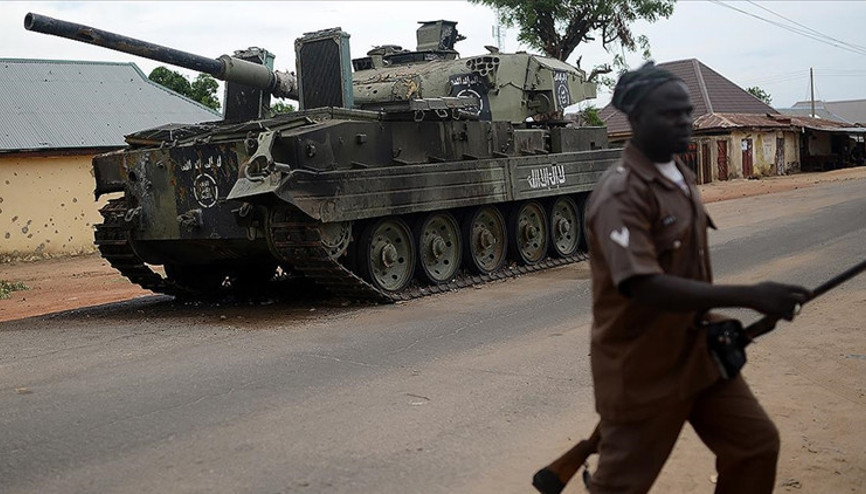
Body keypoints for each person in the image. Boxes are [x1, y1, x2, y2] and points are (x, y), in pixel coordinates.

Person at [584, 62, 811, 494]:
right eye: (671, 114)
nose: (685, 122)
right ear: (635, 119)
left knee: (755, 446)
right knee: (620, 487)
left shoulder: (679, 174)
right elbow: (644, 285)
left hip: (697, 354)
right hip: (643, 369)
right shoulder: (621, 193)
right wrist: (751, 296)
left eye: (687, 112)